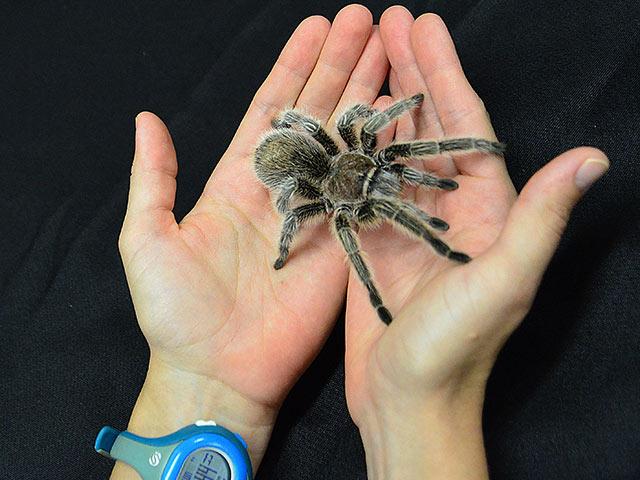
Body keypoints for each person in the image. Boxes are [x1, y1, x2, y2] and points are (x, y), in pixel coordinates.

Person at [112, 5, 608, 479]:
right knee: (375, 216)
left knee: (408, 155)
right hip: (313, 176)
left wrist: (418, 113)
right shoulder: (320, 205)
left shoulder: (367, 150)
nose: (388, 184)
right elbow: (299, 212)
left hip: (332, 161)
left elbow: (367, 126)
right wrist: (286, 250)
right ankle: (433, 239)